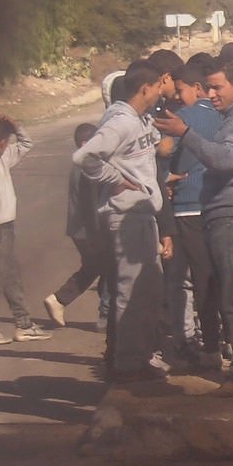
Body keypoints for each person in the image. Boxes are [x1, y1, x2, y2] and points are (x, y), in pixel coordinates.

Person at [153, 56, 233, 396]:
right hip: (229, 214)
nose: (211, 93)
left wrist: (186, 134)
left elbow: (227, 159)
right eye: (208, 87)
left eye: (217, 87)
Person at [74, 62, 174, 382]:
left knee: (148, 289)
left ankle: (139, 356)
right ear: (144, 88)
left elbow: (154, 147)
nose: (162, 90)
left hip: (143, 214)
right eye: (158, 85)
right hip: (126, 215)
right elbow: (86, 157)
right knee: (131, 291)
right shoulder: (120, 122)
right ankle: (128, 363)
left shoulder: (138, 119)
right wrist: (114, 180)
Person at [161, 57, 223, 371]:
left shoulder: (180, 117)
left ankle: (201, 345)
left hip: (187, 207)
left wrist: (167, 176)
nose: (177, 95)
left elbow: (164, 153)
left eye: (181, 89)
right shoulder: (225, 115)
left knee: (191, 281)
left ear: (196, 88)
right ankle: (222, 342)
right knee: (215, 277)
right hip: (217, 206)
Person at [0, 116, 50, 346]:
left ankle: (23, 324)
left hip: (5, 226)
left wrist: (16, 126)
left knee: (11, 276)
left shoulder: (0, 157)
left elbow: (26, 145)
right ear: (2, 142)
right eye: (8, 140)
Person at [44, 122, 108, 331]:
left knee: (95, 267)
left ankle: (60, 300)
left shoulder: (80, 164)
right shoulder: (86, 166)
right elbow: (90, 203)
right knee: (105, 266)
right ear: (84, 143)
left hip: (82, 228)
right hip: (88, 229)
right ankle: (104, 314)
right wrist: (97, 232)